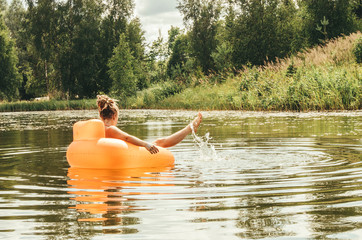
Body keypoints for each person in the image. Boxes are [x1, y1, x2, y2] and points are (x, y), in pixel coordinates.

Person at [97, 95, 202, 154]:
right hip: (134, 154)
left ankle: (190, 128)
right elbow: (127, 137)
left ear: (101, 116)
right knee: (160, 142)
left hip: (122, 153)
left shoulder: (97, 128)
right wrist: (146, 144)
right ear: (115, 116)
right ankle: (189, 128)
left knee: (159, 141)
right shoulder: (110, 129)